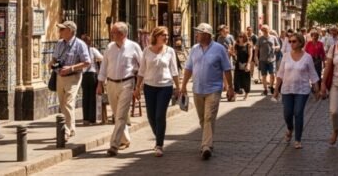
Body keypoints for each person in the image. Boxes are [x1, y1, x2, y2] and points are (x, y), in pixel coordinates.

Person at [180, 23, 235, 160]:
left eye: (198, 32)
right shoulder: (194, 49)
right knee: (202, 119)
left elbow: (227, 69)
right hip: (197, 89)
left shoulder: (219, 49)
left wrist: (230, 87)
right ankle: (208, 141)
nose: (196, 35)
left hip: (214, 89)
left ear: (206, 35)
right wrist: (183, 86)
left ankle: (206, 146)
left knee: (209, 117)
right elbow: (188, 68)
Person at [97, 21, 142, 156]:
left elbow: (143, 66)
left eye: (113, 33)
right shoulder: (110, 47)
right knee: (117, 115)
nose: (111, 35)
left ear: (122, 34)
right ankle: (125, 139)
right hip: (110, 84)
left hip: (127, 83)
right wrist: (100, 83)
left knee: (121, 115)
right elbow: (104, 66)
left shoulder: (134, 47)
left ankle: (114, 145)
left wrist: (139, 86)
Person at [134, 26, 180, 158]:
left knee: (160, 115)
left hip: (165, 86)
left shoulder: (170, 51)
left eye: (167, 35)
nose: (166, 37)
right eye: (163, 35)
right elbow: (141, 71)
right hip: (149, 87)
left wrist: (178, 87)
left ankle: (159, 144)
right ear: (156, 36)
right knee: (150, 116)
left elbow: (174, 71)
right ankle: (159, 135)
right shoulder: (147, 51)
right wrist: (138, 87)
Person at [274, 32, 320, 149]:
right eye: (290, 41)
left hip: (302, 90)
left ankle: (298, 139)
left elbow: (313, 74)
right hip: (287, 89)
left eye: (294, 41)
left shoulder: (307, 57)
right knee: (287, 114)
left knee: (298, 113)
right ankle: (290, 128)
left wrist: (317, 89)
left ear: (300, 43)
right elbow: (280, 73)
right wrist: (276, 89)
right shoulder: (285, 56)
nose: (291, 44)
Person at [49, 20, 90, 142]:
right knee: (63, 104)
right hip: (59, 77)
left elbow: (87, 62)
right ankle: (71, 128)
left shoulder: (80, 44)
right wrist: (52, 64)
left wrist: (71, 68)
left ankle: (65, 131)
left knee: (68, 103)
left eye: (62, 29)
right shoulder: (60, 43)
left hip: (73, 76)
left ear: (70, 31)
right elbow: (55, 58)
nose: (60, 31)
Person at [81, 34, 103, 125]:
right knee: (92, 97)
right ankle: (92, 118)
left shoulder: (80, 51)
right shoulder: (93, 50)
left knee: (85, 97)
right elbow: (101, 58)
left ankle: (85, 118)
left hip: (84, 75)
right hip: (92, 75)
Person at [257, 24, 280, 95]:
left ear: (269, 30)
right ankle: (265, 89)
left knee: (272, 74)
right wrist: (255, 58)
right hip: (262, 59)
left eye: (266, 30)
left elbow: (278, 46)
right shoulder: (260, 39)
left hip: (272, 59)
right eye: (263, 30)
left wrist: (275, 47)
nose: (265, 31)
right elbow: (257, 48)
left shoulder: (273, 38)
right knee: (264, 75)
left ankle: (271, 86)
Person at [233, 32, 253, 100]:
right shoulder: (236, 45)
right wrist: (232, 53)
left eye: (241, 36)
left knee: (246, 79)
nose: (240, 38)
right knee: (236, 79)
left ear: (245, 37)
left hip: (246, 63)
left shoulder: (248, 45)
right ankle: (235, 94)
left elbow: (250, 55)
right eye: (239, 36)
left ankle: (246, 94)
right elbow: (234, 54)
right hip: (238, 63)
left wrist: (248, 64)